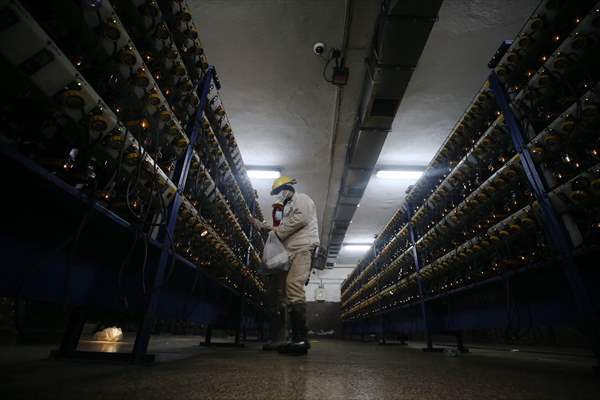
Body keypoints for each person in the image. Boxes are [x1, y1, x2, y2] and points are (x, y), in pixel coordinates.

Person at [253, 176, 319, 354]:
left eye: (279, 192)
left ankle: (300, 340)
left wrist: (275, 231)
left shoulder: (302, 199)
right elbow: (283, 228)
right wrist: (267, 228)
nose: (278, 196)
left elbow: (301, 219)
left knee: (294, 286)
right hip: (290, 251)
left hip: (303, 248)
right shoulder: (286, 207)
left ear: (288, 188)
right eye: (276, 193)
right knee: (284, 293)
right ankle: (288, 338)